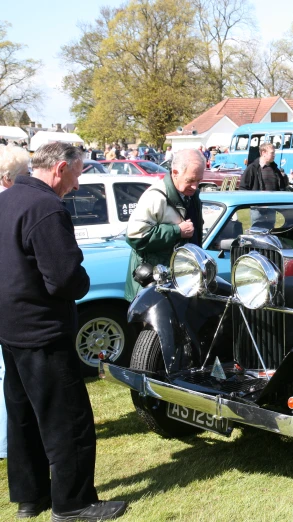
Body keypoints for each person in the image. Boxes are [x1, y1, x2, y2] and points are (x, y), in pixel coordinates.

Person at [0, 142, 128, 521]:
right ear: (59, 168)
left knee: (24, 415)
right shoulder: (45, 207)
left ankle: (30, 496)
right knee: (67, 419)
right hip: (41, 330)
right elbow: (65, 279)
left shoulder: (8, 199)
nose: (79, 180)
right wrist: (81, 281)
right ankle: (73, 504)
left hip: (11, 327)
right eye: (78, 172)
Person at [125, 149, 205, 300]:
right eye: (190, 180)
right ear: (175, 172)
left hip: (180, 282)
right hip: (151, 287)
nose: (195, 186)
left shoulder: (192, 196)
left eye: (199, 181)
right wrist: (176, 231)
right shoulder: (155, 197)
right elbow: (135, 237)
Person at [0, 144, 31, 466]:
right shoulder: (35, 206)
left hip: (8, 317)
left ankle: (27, 496)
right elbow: (64, 277)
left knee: (14, 395)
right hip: (32, 323)